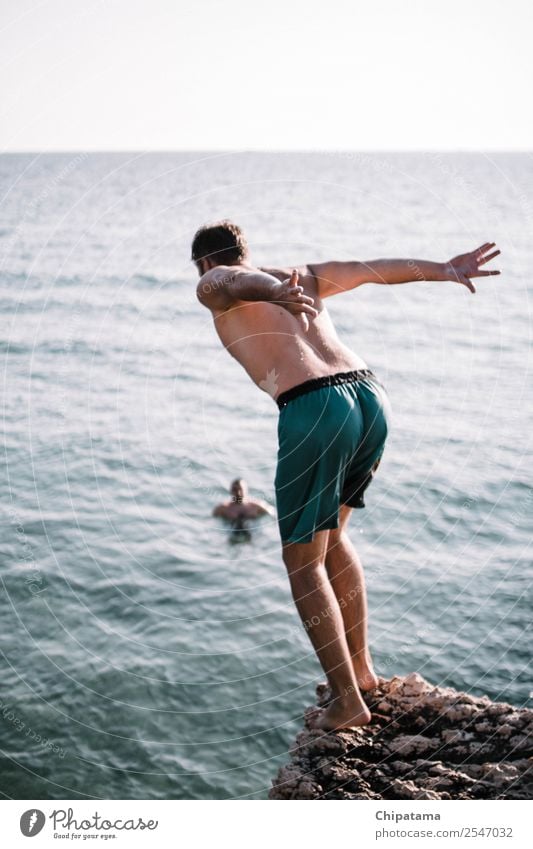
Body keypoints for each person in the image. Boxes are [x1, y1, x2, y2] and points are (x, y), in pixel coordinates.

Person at [193, 220, 500, 730]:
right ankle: (361, 673)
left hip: (314, 406)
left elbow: (228, 282)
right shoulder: (304, 275)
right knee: (334, 541)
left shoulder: (216, 282)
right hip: (368, 397)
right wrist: (445, 269)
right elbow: (370, 270)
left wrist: (270, 290)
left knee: (302, 562)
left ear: (204, 261)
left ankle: (346, 703)